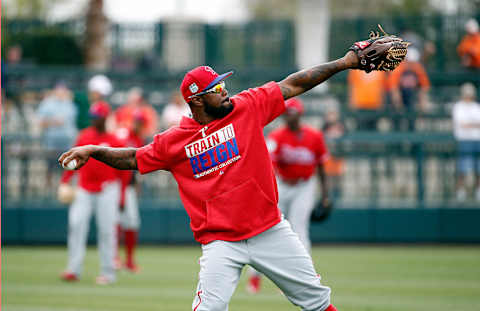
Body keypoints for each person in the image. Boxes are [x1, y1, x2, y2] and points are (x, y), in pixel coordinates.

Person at [59, 49, 364, 310]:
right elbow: (133, 159)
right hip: (221, 243)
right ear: (197, 101)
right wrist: (95, 150)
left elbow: (293, 84)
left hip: (269, 229)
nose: (224, 91)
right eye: (216, 89)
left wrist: (344, 62)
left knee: (318, 302)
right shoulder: (173, 142)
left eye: (222, 84)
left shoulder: (246, 107)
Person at [247, 97, 330, 294]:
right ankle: (254, 278)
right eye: (286, 113)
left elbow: (321, 167)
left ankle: (303, 278)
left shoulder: (315, 136)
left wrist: (326, 195)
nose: (288, 117)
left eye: (292, 113)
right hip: (281, 185)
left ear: (300, 114)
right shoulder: (276, 137)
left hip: (304, 186)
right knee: (264, 230)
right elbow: (269, 166)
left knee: (300, 230)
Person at [59, 101, 125, 285]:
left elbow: (124, 173)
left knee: (107, 231)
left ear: (105, 118)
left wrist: (122, 196)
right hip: (84, 189)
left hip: (108, 190)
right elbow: (71, 161)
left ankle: (108, 272)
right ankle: (73, 269)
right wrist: (64, 182)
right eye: (92, 117)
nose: (94, 120)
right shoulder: (84, 136)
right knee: (76, 226)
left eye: (97, 117)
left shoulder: (115, 140)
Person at [114, 110, 147, 272]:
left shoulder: (138, 138)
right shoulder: (123, 134)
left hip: (129, 186)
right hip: (115, 184)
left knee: (131, 223)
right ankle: (114, 258)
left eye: (141, 123)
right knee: (115, 222)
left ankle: (128, 261)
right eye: (137, 122)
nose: (139, 125)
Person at [36, 82, 78, 190]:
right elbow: (40, 122)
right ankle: (48, 191)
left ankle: (63, 189)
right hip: (51, 143)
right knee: (50, 168)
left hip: (66, 144)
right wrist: (53, 122)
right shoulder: (47, 104)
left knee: (66, 169)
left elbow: (72, 124)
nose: (61, 94)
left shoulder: (70, 105)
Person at [388, 47, 430, 131]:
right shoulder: (398, 68)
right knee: (397, 123)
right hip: (399, 96)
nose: (411, 64)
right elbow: (394, 89)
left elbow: (424, 88)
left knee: (412, 122)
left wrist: (423, 105)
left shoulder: (417, 68)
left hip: (411, 97)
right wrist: (399, 106)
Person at [452, 83, 480, 202]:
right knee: (462, 168)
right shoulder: (458, 107)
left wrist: (470, 124)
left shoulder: (476, 107)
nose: (468, 96)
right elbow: (461, 123)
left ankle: (478, 191)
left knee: (478, 168)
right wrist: (473, 124)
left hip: (477, 140)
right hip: (464, 141)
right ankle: (460, 191)